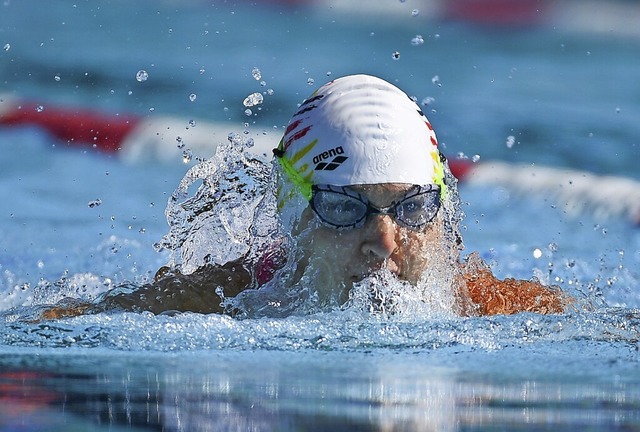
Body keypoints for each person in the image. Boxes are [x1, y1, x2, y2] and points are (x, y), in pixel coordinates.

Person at [40, 74, 568, 320]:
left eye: (411, 206)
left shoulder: (483, 306)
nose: (384, 242)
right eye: (343, 208)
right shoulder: (229, 302)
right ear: (293, 218)